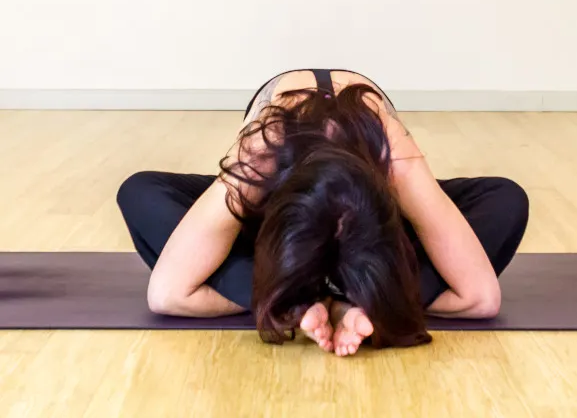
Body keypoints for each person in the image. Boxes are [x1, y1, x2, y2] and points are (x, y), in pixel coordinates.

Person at [117, 69, 529, 357]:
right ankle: (319, 295)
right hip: (275, 220)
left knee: (504, 200)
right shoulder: (259, 157)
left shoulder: (395, 158)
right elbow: (167, 294)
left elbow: (481, 298)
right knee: (142, 192)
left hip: (369, 220)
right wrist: (292, 303)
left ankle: (336, 296)